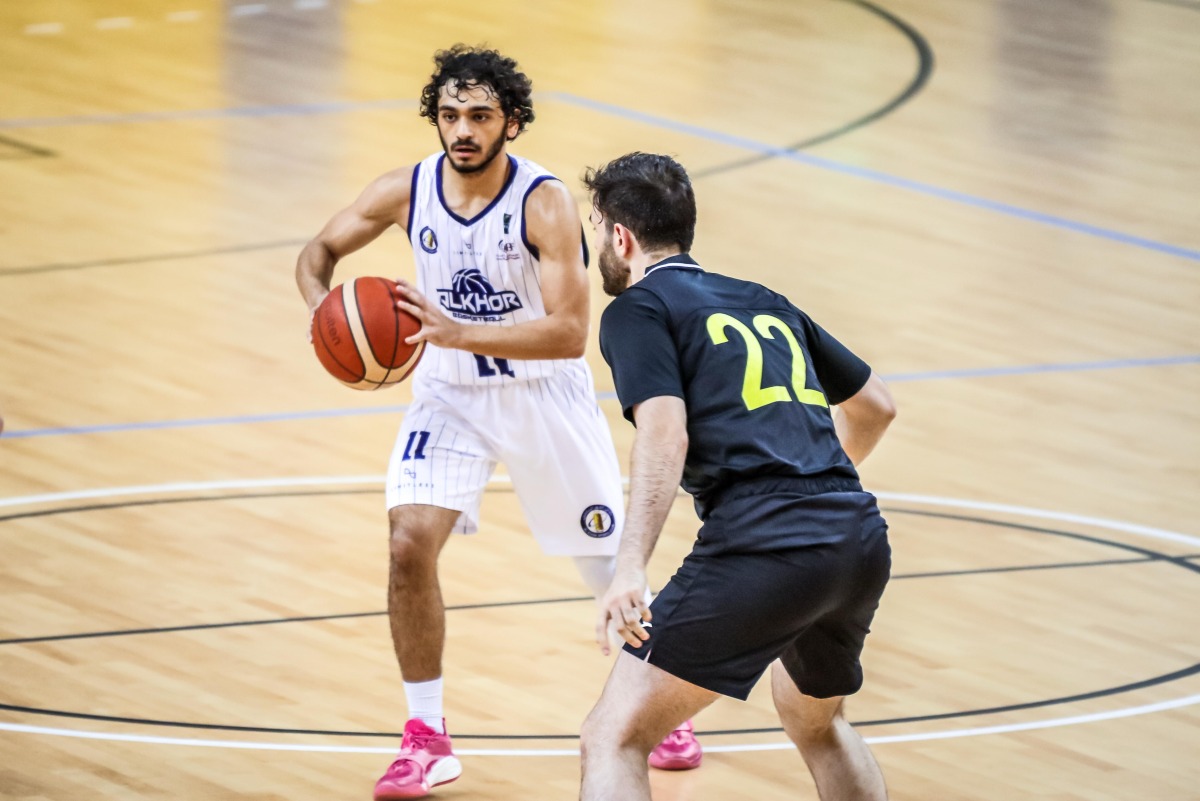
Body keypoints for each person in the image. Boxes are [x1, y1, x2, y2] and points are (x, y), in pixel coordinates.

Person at [295, 48, 695, 800]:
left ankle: (664, 708)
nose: (462, 131)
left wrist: (453, 331)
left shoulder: (542, 204)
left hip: (544, 393)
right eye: (450, 116)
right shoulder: (405, 190)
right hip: (448, 395)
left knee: (610, 565)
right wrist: (325, 310)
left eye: (479, 117)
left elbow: (569, 331)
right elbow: (318, 250)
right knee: (408, 539)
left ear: (510, 121)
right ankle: (426, 736)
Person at [578, 152, 898, 801]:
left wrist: (630, 566)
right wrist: (813, 481)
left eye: (597, 230)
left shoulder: (637, 310)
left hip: (765, 541)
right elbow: (876, 406)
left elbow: (665, 432)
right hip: (856, 533)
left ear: (620, 236)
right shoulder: (763, 299)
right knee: (821, 723)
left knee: (612, 735)